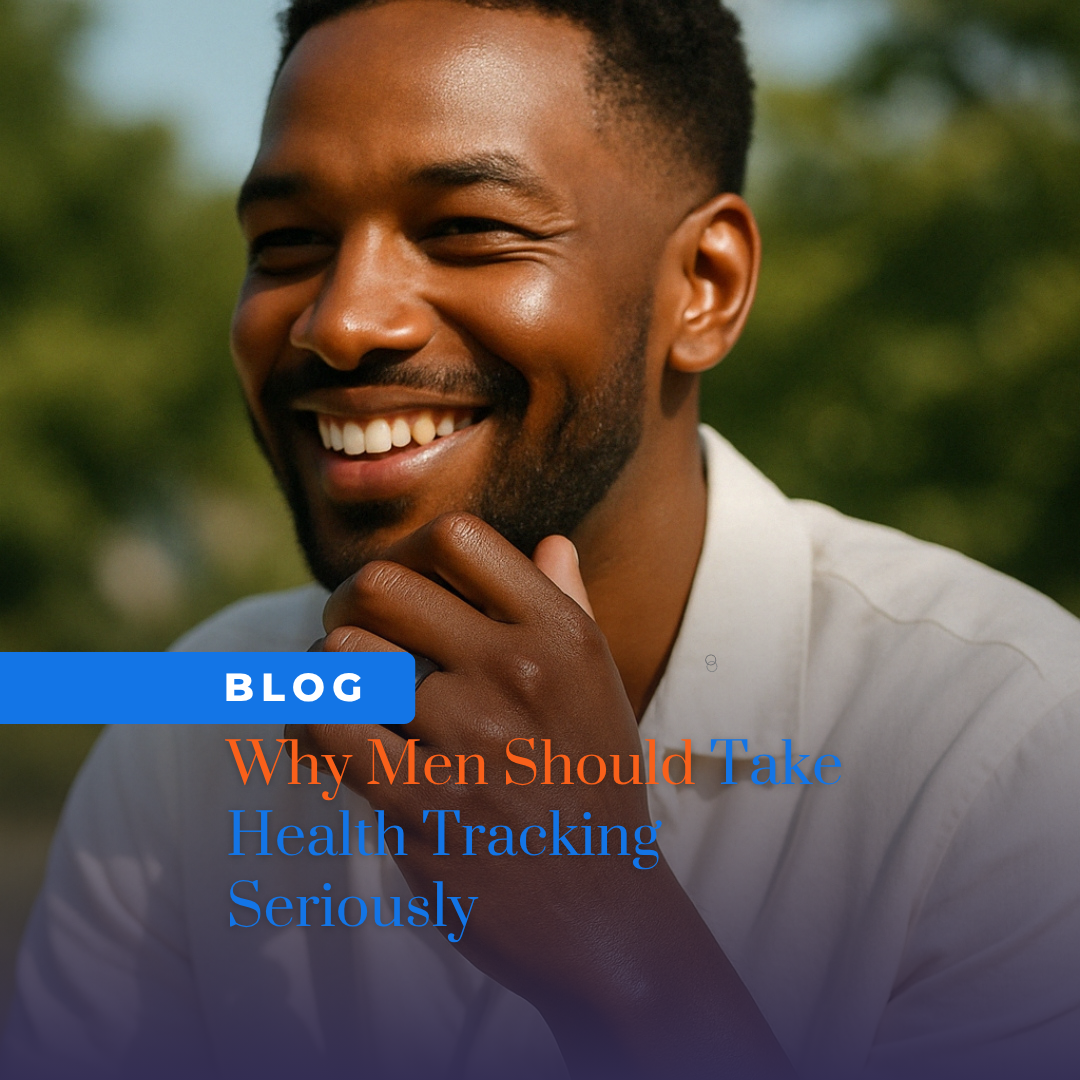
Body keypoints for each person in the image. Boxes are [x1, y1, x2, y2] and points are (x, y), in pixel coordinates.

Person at [4, 2, 1079, 1078]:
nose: (339, 320)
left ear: (703, 287)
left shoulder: (1007, 752)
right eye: (288, 244)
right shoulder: (191, 727)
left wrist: (619, 947)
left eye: (468, 229)